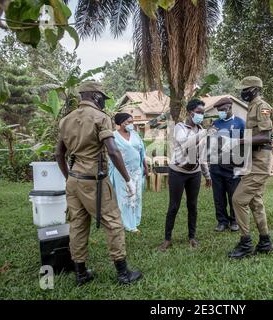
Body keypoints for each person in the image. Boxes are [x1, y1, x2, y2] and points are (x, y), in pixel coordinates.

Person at [55, 81, 142, 286]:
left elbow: (59, 153)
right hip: (95, 180)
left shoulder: (65, 120)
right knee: (113, 223)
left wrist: (68, 177)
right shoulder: (100, 118)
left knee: (77, 225)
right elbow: (112, 151)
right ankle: (123, 274)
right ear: (95, 96)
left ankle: (81, 273)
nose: (103, 101)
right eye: (102, 97)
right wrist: (128, 180)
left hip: (74, 179)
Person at [227, 76, 273, 259]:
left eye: (245, 89)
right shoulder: (251, 107)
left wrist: (236, 141)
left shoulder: (262, 107)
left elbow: (265, 137)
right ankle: (265, 241)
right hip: (253, 158)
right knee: (255, 202)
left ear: (254, 89)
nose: (243, 92)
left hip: (260, 160)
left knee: (238, 200)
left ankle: (245, 243)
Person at [159, 99, 213, 251]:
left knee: (192, 205)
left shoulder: (200, 129)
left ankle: (192, 237)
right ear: (190, 112)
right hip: (178, 172)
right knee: (174, 206)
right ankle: (167, 239)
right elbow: (185, 144)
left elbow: (202, 155)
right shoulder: (179, 127)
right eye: (199, 113)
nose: (201, 116)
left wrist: (207, 175)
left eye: (203, 113)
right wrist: (203, 133)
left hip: (194, 173)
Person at [210, 97, 245, 232]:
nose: (221, 113)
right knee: (218, 196)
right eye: (219, 111)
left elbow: (247, 141)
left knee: (233, 195)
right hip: (216, 165)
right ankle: (222, 222)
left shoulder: (240, 122)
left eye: (223, 110)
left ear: (230, 108)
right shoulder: (216, 123)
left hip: (233, 165)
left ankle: (234, 221)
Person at [108, 113, 148, 233]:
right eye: (128, 122)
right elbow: (112, 154)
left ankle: (135, 220)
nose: (131, 124)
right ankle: (127, 224)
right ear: (120, 123)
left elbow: (142, 151)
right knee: (124, 196)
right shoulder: (113, 136)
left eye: (132, 122)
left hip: (136, 171)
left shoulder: (135, 135)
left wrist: (145, 167)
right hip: (122, 172)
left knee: (136, 196)